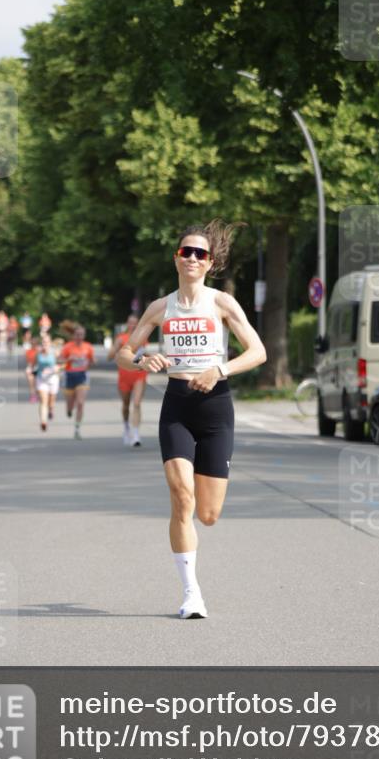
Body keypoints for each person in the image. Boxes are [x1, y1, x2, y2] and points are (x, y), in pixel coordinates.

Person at [116, 219, 266, 619]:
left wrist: (221, 370)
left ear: (209, 262)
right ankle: (191, 594)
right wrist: (143, 358)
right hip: (177, 406)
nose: (193, 258)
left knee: (208, 514)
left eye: (201, 253)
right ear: (176, 259)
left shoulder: (221, 303)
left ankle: (194, 570)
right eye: (187, 252)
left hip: (216, 406)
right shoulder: (159, 307)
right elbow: (123, 353)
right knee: (181, 496)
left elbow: (258, 352)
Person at [108, 313, 149, 447]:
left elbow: (145, 354)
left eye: (135, 323)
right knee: (126, 405)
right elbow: (110, 356)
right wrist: (117, 347)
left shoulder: (142, 338)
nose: (133, 325)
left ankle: (135, 434)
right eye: (130, 323)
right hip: (124, 375)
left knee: (136, 403)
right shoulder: (121, 338)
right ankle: (126, 427)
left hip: (139, 374)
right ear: (127, 324)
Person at [60, 325, 95, 439]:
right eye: (77, 334)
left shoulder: (88, 347)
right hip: (69, 375)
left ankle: (77, 428)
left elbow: (92, 360)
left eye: (81, 334)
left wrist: (91, 361)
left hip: (82, 376)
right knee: (70, 404)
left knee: (80, 403)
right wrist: (68, 359)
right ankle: (69, 410)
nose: (79, 337)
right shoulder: (67, 347)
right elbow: (59, 359)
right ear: (73, 335)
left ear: (84, 336)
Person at [33, 335, 61, 431]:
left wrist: (57, 368)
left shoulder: (55, 353)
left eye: (47, 342)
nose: (45, 344)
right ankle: (43, 421)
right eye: (43, 342)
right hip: (41, 379)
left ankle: (51, 409)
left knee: (51, 402)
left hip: (53, 379)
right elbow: (33, 365)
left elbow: (63, 363)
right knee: (43, 401)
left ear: (50, 343)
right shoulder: (38, 353)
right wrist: (30, 370)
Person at [24, 336, 40, 403]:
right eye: (32, 343)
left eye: (35, 343)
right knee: (31, 380)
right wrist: (29, 368)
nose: (34, 345)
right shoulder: (28, 352)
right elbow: (28, 362)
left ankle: (39, 394)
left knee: (38, 383)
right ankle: (33, 395)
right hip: (32, 368)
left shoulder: (40, 351)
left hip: (40, 368)